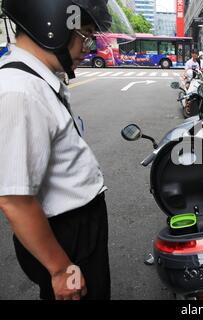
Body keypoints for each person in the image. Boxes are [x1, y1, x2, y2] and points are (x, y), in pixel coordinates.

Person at [0, 0, 134, 300]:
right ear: (53, 25)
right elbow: (15, 199)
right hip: (66, 233)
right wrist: (60, 270)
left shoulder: (36, 82)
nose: (88, 47)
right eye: (85, 35)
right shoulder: (20, 91)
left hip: (77, 227)